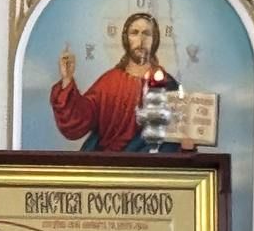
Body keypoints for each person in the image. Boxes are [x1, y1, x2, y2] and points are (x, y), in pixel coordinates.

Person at [50, 12, 183, 152]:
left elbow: (179, 132)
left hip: (148, 162)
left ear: (155, 40)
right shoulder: (110, 81)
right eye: (134, 33)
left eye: (147, 34)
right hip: (110, 160)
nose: (141, 40)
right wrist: (67, 79)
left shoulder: (167, 83)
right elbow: (79, 119)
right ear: (126, 39)